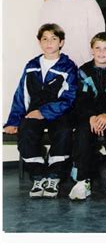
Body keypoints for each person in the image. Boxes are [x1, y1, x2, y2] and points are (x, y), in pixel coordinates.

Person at [3, 24, 77, 198]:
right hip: (34, 112)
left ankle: (54, 177)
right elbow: (21, 95)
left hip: (60, 112)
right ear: (39, 42)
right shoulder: (32, 66)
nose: (49, 43)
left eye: (53, 39)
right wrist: (13, 121)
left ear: (61, 42)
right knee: (26, 130)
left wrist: (44, 112)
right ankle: (38, 177)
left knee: (64, 131)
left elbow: (70, 97)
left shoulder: (68, 67)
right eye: (44, 39)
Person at [69, 33, 106, 201]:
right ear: (91, 50)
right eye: (98, 48)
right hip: (90, 116)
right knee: (82, 132)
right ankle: (82, 179)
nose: (102, 52)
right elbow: (81, 99)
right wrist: (90, 116)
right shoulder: (83, 71)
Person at [39, 0, 105, 67]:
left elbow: (98, 34)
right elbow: (42, 37)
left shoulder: (89, 2)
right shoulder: (48, 5)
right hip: (56, 65)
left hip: (84, 64)